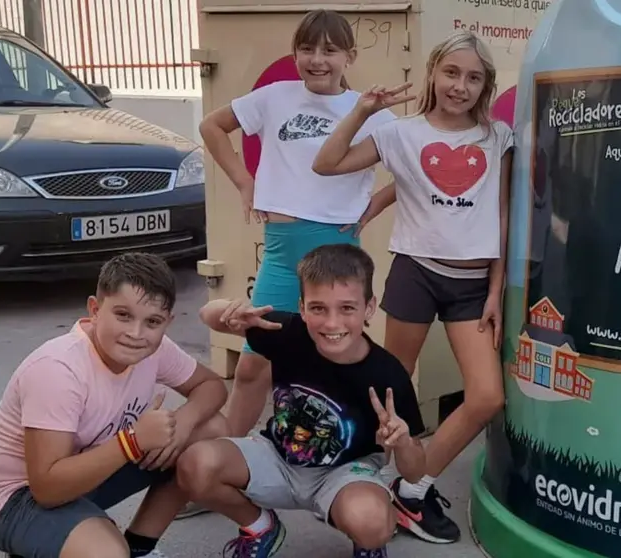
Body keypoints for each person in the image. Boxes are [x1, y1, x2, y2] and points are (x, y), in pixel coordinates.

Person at [313, 30, 512, 543]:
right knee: (392, 385)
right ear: (433, 74)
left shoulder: (499, 137)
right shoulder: (400, 133)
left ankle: (412, 486)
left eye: (474, 77)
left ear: (485, 84)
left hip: (473, 286)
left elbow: (504, 216)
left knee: (487, 396)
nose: (460, 86)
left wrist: (496, 289)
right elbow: (327, 163)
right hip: (416, 272)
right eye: (452, 73)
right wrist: (361, 110)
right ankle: (364, 476)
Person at [197, 9, 397, 446]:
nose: (317, 60)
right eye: (306, 49)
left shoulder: (370, 112)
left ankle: (351, 453)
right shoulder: (275, 96)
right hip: (281, 254)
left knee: (335, 357)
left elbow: (415, 167)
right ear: (295, 54)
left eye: (330, 50)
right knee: (253, 362)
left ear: (350, 55)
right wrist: (243, 180)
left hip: (335, 252)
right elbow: (211, 126)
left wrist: (374, 206)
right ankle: (227, 460)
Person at [177, 244, 426, 558]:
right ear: (302, 307)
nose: (332, 323)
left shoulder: (388, 373)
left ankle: (367, 542)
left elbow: (416, 472)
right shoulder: (289, 331)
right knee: (194, 465)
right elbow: (206, 315)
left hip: (345, 472)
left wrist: (402, 442)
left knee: (373, 524)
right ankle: (259, 526)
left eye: (347, 308)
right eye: (318, 308)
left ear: (369, 308)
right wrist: (227, 311)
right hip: (277, 455)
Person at [0, 253, 229, 558]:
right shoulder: (58, 370)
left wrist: (183, 422)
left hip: (83, 468)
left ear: (167, 323)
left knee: (210, 429)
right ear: (95, 309)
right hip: (14, 494)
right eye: (123, 315)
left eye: (152, 322)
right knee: (106, 553)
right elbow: (46, 489)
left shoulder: (153, 349)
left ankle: (139, 548)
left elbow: (211, 387)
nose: (136, 334)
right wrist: (132, 441)